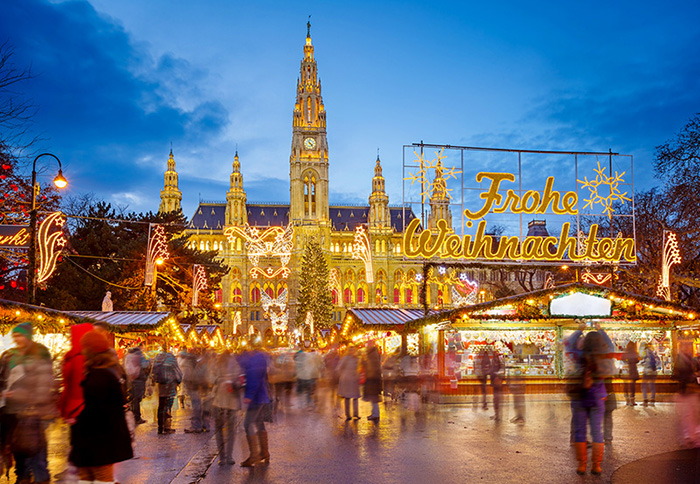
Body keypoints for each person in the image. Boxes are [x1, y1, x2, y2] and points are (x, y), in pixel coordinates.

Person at [70, 330, 132, 484]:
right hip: (97, 440)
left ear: (90, 350)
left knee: (101, 478)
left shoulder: (101, 376)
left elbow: (101, 412)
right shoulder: (105, 371)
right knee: (88, 477)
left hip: (98, 440)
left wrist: (78, 420)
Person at [0, 322, 57, 484]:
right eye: (15, 336)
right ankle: (22, 476)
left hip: (34, 411)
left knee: (36, 448)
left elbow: (43, 384)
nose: (17, 339)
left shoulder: (40, 353)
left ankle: (40, 478)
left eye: (20, 335)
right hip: (11, 410)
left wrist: (20, 395)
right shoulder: (8, 355)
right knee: (18, 447)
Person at [57, 323, 94, 482]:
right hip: (91, 409)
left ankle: (82, 474)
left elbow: (67, 386)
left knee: (78, 446)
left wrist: (62, 410)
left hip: (75, 410)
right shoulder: (95, 358)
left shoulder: (72, 358)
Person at [568, 329, 607, 476]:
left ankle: (582, 465)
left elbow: (569, 344)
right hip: (598, 396)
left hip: (580, 397)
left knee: (580, 430)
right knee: (597, 430)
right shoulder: (603, 357)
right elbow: (610, 345)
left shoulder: (579, 356)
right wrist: (601, 331)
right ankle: (596, 465)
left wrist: (579, 330)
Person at [238, 342, 271, 467]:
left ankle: (254, 455)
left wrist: (248, 396)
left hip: (256, 398)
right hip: (262, 396)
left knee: (247, 424)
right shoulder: (259, 360)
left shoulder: (253, 363)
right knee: (258, 422)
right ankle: (264, 452)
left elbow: (254, 380)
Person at [211, 352, 243, 466]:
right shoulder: (235, 364)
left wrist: (219, 381)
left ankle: (222, 457)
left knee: (219, 430)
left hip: (218, 402)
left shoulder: (217, 364)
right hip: (231, 402)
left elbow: (210, 379)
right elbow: (240, 380)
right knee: (230, 431)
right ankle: (229, 456)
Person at [673, 340, 699, 447]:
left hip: (688, 390)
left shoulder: (689, 359)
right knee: (688, 414)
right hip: (686, 390)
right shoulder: (682, 360)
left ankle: (690, 435)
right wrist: (692, 378)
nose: (688, 349)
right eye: (686, 347)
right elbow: (683, 374)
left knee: (691, 413)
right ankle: (688, 435)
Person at [151, 345, 182, 434]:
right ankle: (167, 427)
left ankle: (160, 427)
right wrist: (179, 381)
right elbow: (177, 371)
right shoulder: (171, 358)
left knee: (161, 405)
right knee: (168, 405)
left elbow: (153, 372)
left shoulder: (157, 358)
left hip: (161, 385)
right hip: (170, 385)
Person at [124, 343, 150, 424]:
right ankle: (137, 417)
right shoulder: (140, 355)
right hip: (139, 378)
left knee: (133, 397)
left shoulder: (128, 355)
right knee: (137, 399)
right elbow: (145, 365)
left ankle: (133, 415)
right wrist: (148, 360)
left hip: (130, 379)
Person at [295, 342, 322, 409]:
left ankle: (305, 403)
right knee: (307, 391)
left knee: (305, 391)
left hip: (304, 376)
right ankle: (306, 403)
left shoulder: (302, 356)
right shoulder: (308, 356)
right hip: (305, 376)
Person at [337, 346, 361, 420]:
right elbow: (338, 368)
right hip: (347, 380)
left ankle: (355, 414)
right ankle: (348, 415)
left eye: (353, 350)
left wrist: (357, 375)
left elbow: (359, 368)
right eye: (351, 350)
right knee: (347, 398)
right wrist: (343, 375)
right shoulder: (345, 358)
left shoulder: (356, 359)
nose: (352, 351)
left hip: (354, 380)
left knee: (355, 397)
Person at [362, 341, 382, 421]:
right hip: (373, 378)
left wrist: (364, 363)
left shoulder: (372, 354)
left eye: (368, 345)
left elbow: (372, 367)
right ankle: (374, 413)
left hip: (373, 379)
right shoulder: (373, 353)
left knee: (374, 397)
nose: (367, 346)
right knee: (373, 397)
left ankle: (375, 414)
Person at [623, 341, 639, 406]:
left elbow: (622, 360)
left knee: (626, 385)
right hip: (633, 371)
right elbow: (637, 360)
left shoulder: (625, 353)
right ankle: (632, 401)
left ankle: (627, 400)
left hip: (626, 371)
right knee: (632, 386)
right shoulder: (635, 353)